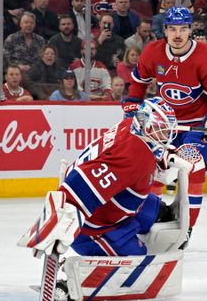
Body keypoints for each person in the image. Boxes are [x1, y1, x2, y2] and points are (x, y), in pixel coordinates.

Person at [21, 98, 180, 262]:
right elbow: (84, 184)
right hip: (91, 229)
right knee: (138, 262)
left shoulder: (128, 126)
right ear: (144, 123)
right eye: (161, 129)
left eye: (166, 130)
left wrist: (160, 155)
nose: (166, 135)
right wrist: (58, 219)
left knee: (160, 211)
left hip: (114, 199)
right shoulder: (133, 157)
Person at [124, 6, 207, 233]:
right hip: (165, 125)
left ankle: (187, 228)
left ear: (191, 29)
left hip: (198, 123)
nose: (178, 34)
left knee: (193, 168)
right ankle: (150, 220)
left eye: (183, 28)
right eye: (172, 29)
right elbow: (139, 82)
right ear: (165, 30)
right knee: (154, 172)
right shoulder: (153, 51)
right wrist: (133, 100)